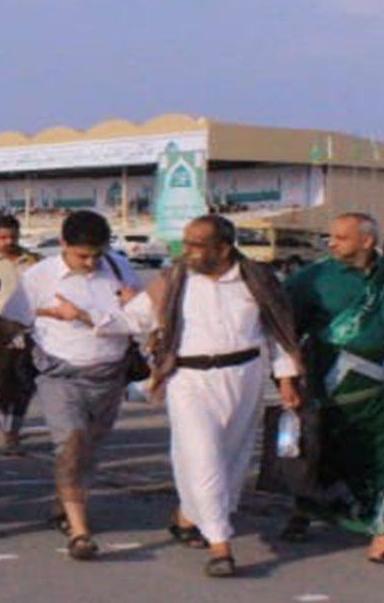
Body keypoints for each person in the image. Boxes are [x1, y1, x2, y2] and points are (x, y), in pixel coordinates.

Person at [104, 215, 303, 577]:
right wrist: (84, 320)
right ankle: (220, 546)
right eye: (186, 242)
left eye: (196, 244)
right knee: (202, 457)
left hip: (244, 376)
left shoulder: (256, 279)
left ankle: (186, 517)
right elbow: (133, 320)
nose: (187, 251)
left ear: (223, 248)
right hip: (188, 380)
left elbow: (278, 331)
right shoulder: (174, 280)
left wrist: (287, 379)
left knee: (229, 460)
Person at [282, 213, 384, 569]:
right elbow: (284, 331)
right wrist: (286, 379)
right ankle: (307, 507)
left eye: (341, 237)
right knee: (324, 457)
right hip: (328, 388)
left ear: (367, 241)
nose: (331, 243)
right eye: (330, 237)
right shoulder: (312, 278)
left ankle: (383, 535)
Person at [0, 210, 139, 561]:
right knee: (72, 441)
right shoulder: (40, 275)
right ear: (63, 244)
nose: (91, 263)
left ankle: (67, 504)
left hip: (109, 373)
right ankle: (80, 531)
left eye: (97, 255)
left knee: (90, 447)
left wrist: (130, 305)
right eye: (82, 256)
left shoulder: (120, 267)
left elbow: (140, 317)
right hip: (60, 374)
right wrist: (47, 315)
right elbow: (13, 319)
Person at [0, 213, 41, 454]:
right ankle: (9, 431)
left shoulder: (35, 261)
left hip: (31, 330)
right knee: (5, 383)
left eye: (13, 236)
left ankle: (13, 429)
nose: (8, 241)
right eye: (3, 237)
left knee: (25, 383)